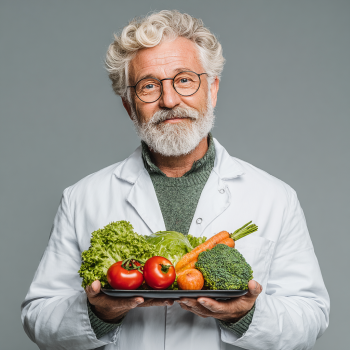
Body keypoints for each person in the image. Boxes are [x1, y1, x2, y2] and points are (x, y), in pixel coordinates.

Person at [21, 10, 329, 350]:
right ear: (129, 106)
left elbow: (310, 316)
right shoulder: (82, 198)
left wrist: (245, 315)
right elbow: (40, 318)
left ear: (211, 89)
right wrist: (98, 314)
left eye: (184, 80)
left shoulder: (275, 198)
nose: (169, 100)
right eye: (149, 86)